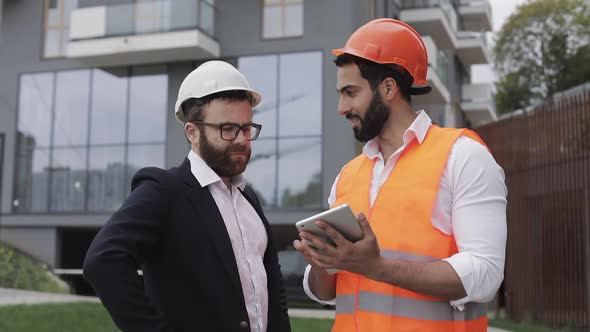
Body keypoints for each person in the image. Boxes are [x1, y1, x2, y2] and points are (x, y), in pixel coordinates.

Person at [293, 18, 507, 332]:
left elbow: (485, 274)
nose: (341, 107)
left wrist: (377, 268)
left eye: (351, 92)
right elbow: (326, 292)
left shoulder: (462, 156)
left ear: (388, 88)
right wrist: (323, 259)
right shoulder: (348, 175)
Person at [84, 60, 291, 332]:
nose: (242, 139)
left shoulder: (248, 198)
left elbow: (270, 291)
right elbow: (104, 261)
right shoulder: (164, 190)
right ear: (193, 132)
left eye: (247, 128)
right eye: (228, 129)